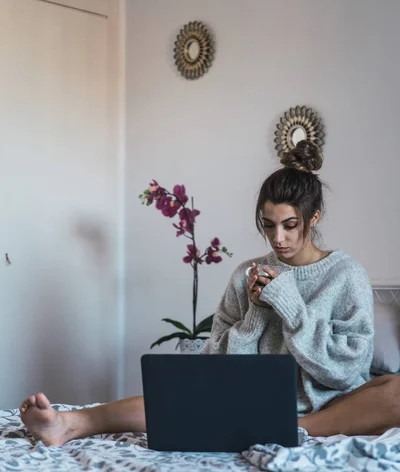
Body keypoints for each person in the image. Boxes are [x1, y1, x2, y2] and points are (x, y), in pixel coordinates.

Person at [20, 141, 400, 446]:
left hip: (332, 405)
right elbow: (215, 366)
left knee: (395, 391)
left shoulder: (346, 275)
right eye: (268, 225)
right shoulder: (246, 275)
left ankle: (300, 429)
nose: (278, 238)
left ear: (313, 218)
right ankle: (68, 424)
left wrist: (293, 309)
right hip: (250, 402)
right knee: (186, 393)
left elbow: (348, 370)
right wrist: (254, 315)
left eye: (290, 225)